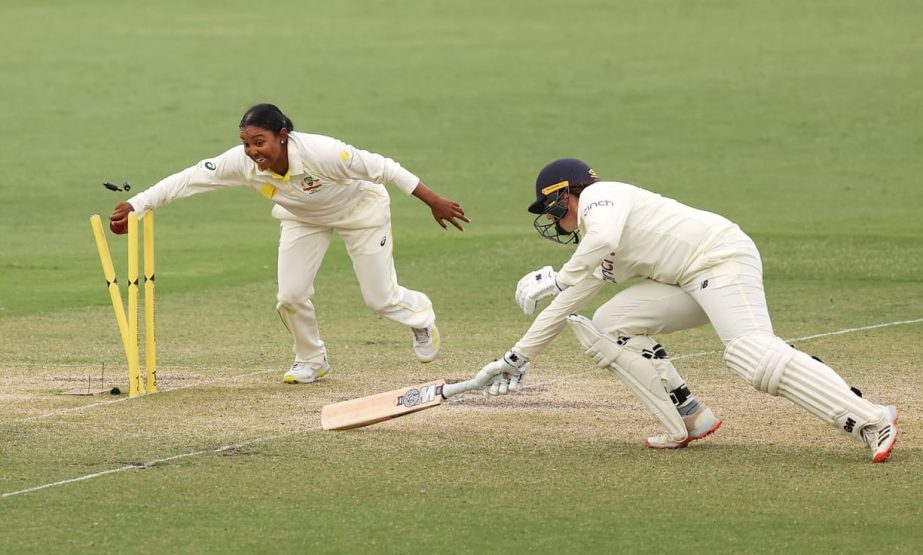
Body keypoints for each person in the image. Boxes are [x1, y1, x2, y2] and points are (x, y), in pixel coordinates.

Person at [474, 157, 898, 463]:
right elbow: (565, 306)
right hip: (690, 281)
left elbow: (596, 245)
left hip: (721, 259)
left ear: (565, 193)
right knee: (609, 325)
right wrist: (516, 358)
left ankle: (870, 418)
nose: (550, 219)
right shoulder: (595, 246)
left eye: (549, 207)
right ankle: (690, 416)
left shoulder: (602, 197)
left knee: (749, 354)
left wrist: (560, 276)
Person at [108, 103, 469, 384]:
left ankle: (420, 316)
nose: (252, 152)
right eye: (246, 143)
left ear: (282, 135)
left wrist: (433, 200)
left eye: (259, 142)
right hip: (302, 219)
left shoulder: (324, 152)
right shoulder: (243, 162)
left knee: (380, 298)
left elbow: (386, 168)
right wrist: (137, 204)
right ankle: (311, 359)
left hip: (360, 211)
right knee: (290, 296)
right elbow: (190, 179)